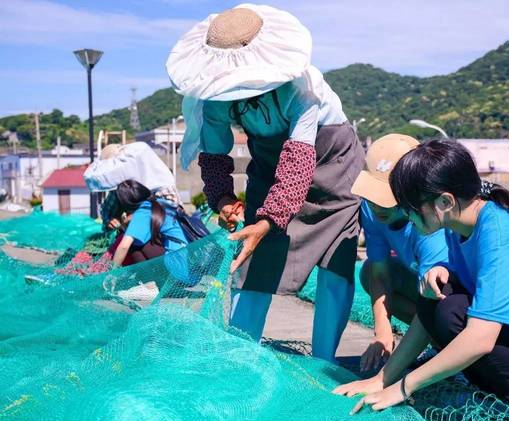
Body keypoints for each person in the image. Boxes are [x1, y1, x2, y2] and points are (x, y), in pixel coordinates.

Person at [334, 140, 509, 421]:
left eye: (409, 207)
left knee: (454, 312)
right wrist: (383, 379)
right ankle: (492, 387)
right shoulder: (455, 226)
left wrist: (402, 387)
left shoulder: (502, 234)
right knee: (438, 298)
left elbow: (481, 339)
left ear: (444, 202)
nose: (406, 216)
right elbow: (430, 314)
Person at [166, 5, 364, 363]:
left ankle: (324, 364)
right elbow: (214, 155)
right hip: (272, 167)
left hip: (330, 165)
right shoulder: (216, 97)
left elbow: (299, 160)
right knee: (251, 258)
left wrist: (268, 220)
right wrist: (222, 198)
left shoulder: (300, 89)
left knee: (336, 260)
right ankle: (238, 356)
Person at [350, 134, 448, 372]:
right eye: (373, 195)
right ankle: (438, 342)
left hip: (450, 299)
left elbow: (432, 302)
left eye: (387, 197)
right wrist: (383, 335)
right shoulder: (372, 208)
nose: (376, 206)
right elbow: (380, 274)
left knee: (445, 307)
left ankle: (447, 347)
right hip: (422, 288)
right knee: (367, 272)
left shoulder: (431, 224)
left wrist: (388, 375)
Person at [111, 180, 188, 300]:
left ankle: (150, 287)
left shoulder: (142, 213)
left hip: (178, 272)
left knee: (134, 243)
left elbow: (124, 246)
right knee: (140, 239)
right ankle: (161, 284)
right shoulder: (158, 204)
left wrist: (111, 275)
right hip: (187, 267)